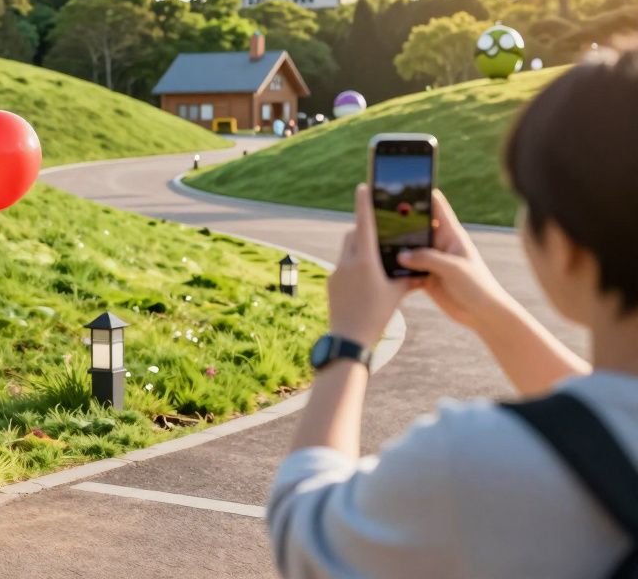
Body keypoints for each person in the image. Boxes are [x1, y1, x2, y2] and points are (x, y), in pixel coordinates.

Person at [267, 51, 638, 578]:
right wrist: (490, 311)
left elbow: (301, 532)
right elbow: (612, 420)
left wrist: (349, 343)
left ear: (566, 246)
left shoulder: (475, 463)